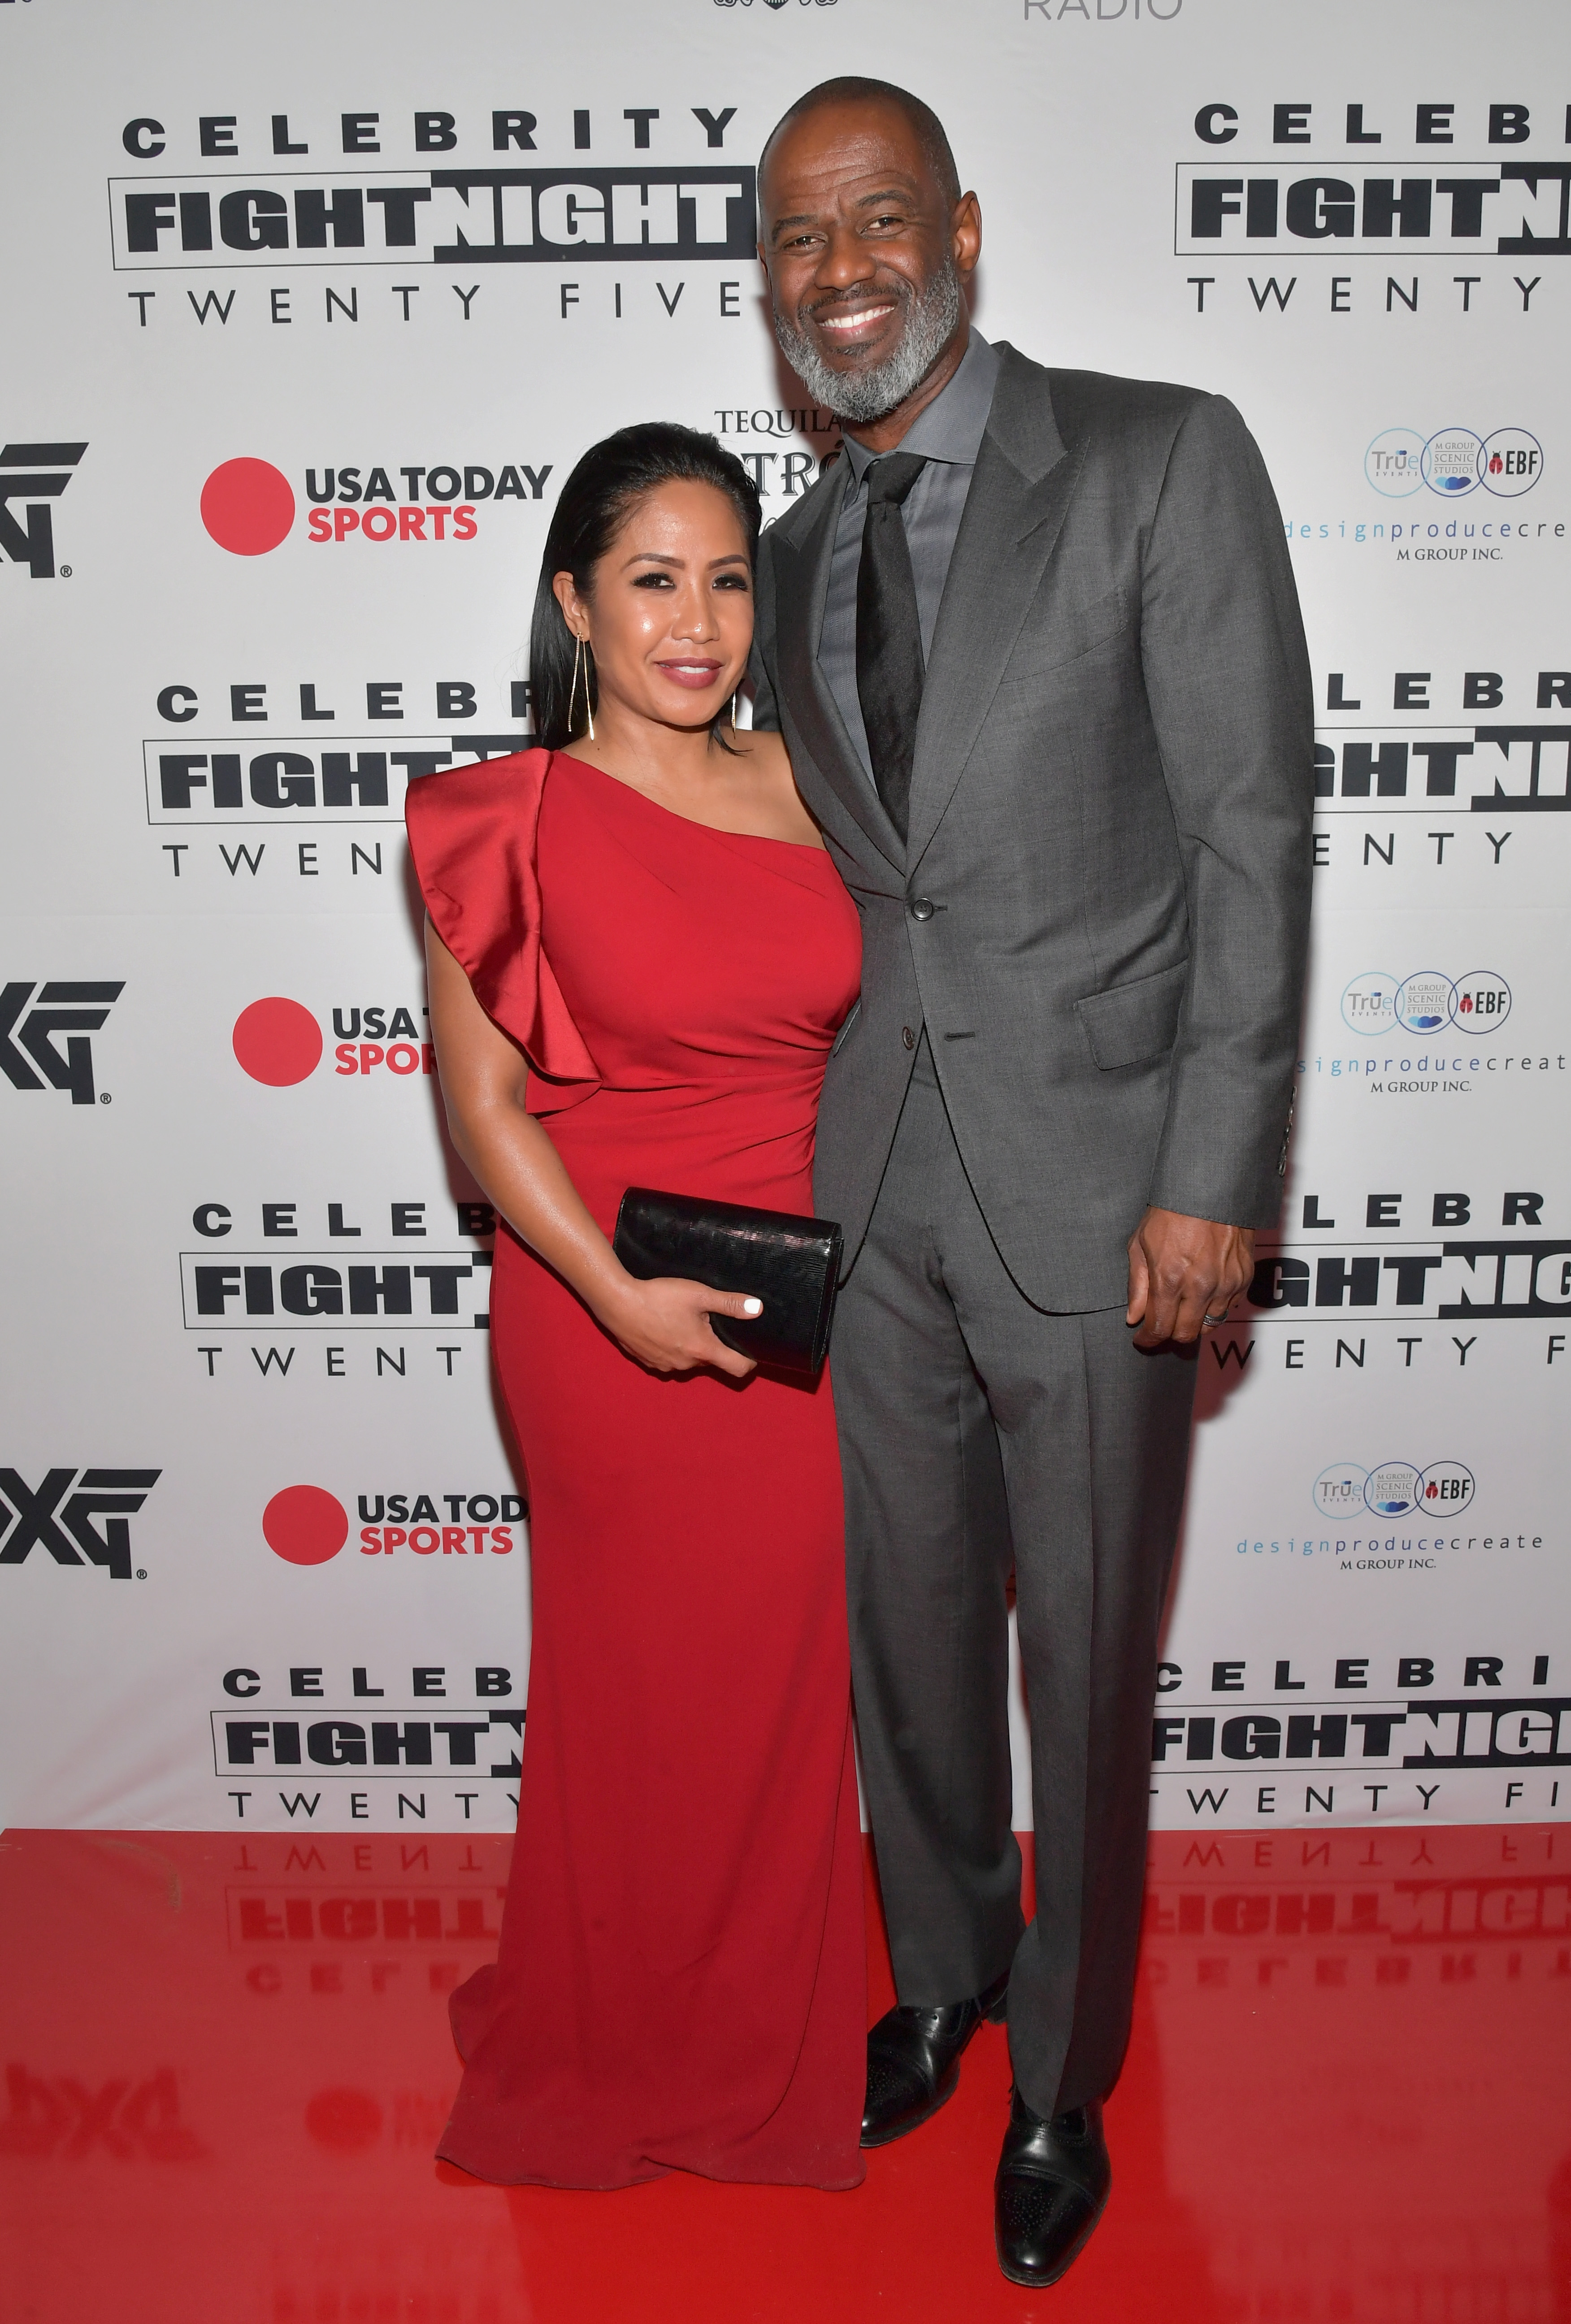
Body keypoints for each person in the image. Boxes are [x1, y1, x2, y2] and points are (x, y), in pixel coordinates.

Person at [751, 79, 1314, 2286]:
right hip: (872, 1182)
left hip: (1105, 1194)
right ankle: (945, 1973)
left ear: (964, 231)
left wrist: (1216, 1171)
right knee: (906, 1638)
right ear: (772, 283)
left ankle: (1062, 2077)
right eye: (798, 242)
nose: (844, 270)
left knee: (1081, 1661)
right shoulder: (795, 546)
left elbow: (1249, 836)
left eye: (879, 221)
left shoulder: (1163, 457)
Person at [407, 424, 866, 2192]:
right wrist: (615, 1300)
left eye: (729, 577)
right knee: (636, 1693)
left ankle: (766, 2032)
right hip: (601, 1308)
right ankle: (615, 2038)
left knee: (772, 1693)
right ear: (575, 603)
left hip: (804, 1314)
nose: (698, 621)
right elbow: (487, 1110)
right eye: (654, 579)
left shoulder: (820, 783)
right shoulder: (497, 821)